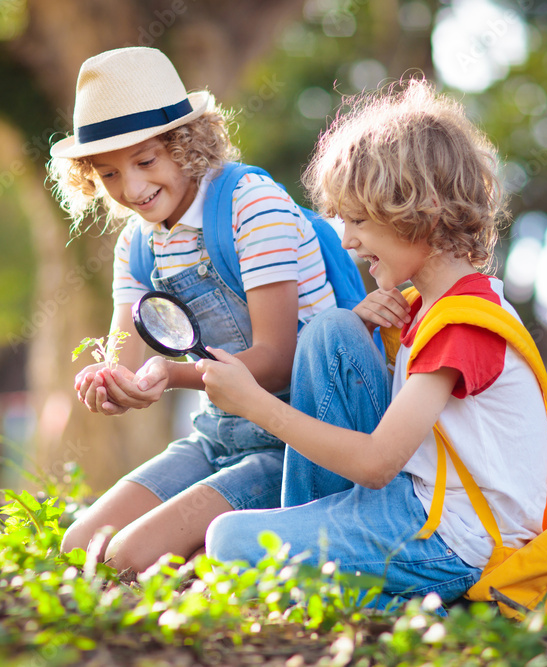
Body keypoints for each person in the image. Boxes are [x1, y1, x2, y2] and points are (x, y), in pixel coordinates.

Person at [199, 79, 547, 608]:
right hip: (417, 506)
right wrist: (360, 326)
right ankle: (315, 559)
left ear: (424, 211)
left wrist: (254, 402)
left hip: (453, 543)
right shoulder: (430, 306)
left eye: (359, 220)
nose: (346, 240)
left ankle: (432, 608)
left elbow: (376, 464)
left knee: (228, 541)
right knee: (331, 330)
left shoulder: (465, 323)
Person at [47, 47, 340, 574]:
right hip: (217, 434)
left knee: (127, 559)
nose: (132, 189)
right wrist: (112, 382)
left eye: (145, 161)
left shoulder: (253, 205)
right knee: (80, 547)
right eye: (109, 174)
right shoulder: (136, 245)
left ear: (185, 143)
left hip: (296, 440)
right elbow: (122, 350)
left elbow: (278, 357)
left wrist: (170, 374)